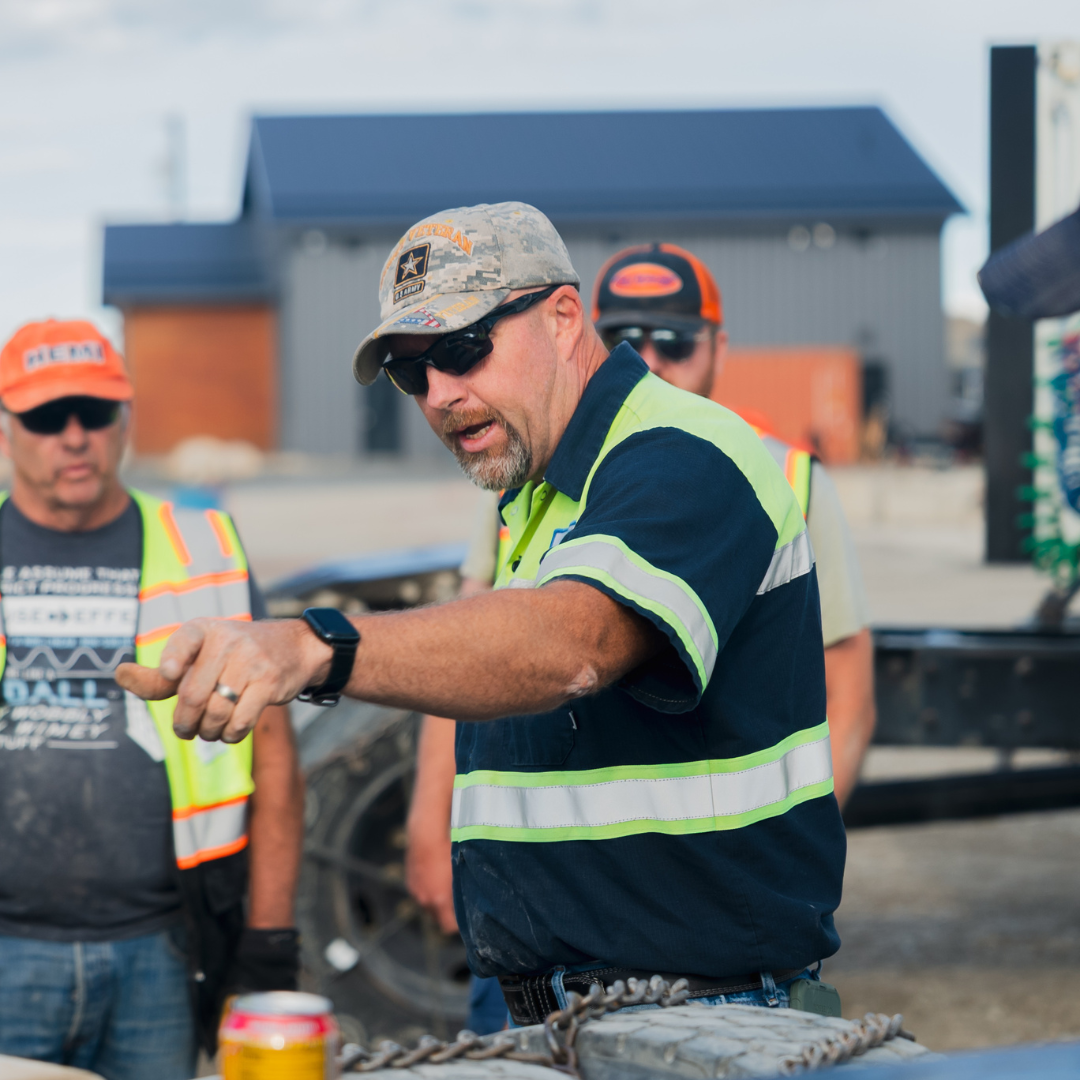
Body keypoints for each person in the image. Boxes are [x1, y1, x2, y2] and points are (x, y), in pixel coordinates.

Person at [119, 201, 846, 1026]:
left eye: (464, 350)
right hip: (551, 1006)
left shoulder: (685, 454)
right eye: (410, 370)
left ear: (565, 318)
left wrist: (316, 646)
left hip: (699, 1010)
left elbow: (573, 642)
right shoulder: (533, 491)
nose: (438, 394)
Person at [405, 242, 874, 1028]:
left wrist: (776, 858)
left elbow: (846, 699)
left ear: (720, 347)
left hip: (681, 969)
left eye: (676, 338)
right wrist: (433, 824)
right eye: (631, 335)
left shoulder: (760, 469)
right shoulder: (527, 480)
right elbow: (467, 651)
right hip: (540, 944)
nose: (651, 355)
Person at [0, 320, 304, 1080]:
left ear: (126, 419)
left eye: (94, 414)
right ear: (7, 428)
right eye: (44, 417)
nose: (73, 437)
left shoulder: (206, 548)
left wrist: (267, 945)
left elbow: (274, 760)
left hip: (162, 952)